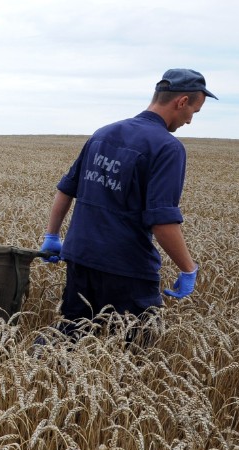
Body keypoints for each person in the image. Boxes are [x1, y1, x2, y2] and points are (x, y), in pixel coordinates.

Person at [39, 68, 216, 343]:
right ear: (181, 102)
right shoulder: (167, 148)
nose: (190, 121)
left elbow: (66, 189)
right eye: (193, 111)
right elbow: (161, 221)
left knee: (71, 335)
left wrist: (52, 236)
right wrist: (188, 268)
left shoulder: (103, 133)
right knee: (139, 351)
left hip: (80, 256)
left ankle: (37, 374)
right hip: (127, 265)